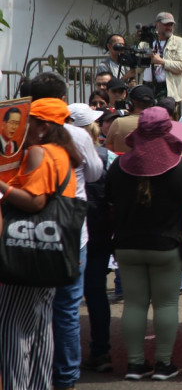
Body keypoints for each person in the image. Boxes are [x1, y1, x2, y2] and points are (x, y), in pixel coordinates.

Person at [106, 107, 182, 380]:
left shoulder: (119, 165)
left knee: (134, 305)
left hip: (127, 245)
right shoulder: (181, 166)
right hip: (167, 245)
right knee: (165, 305)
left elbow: (109, 198)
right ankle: (164, 364)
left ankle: (135, 364)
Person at [0, 98, 81, 390]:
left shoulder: (40, 152)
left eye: (30, 122)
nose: (24, 127)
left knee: (13, 327)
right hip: (51, 251)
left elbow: (34, 202)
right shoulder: (64, 154)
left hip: (25, 252)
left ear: (43, 126)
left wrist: (2, 187)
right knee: (41, 326)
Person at [27, 73, 103, 390]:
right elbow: (98, 172)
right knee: (67, 307)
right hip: (73, 230)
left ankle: (30, 378)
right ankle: (65, 381)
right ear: (63, 96)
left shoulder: (24, 131)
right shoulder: (77, 135)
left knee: (32, 307)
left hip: (30, 228)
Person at [68, 104, 116, 375]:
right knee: (96, 292)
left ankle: (66, 357)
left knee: (66, 297)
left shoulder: (54, 151)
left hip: (71, 230)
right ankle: (100, 351)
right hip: (98, 231)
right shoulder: (108, 157)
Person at [140, 12, 182, 102]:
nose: (169, 27)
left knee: (164, 115)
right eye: (166, 24)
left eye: (171, 24)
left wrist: (162, 62)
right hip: (147, 86)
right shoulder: (146, 42)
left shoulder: (178, 42)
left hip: (166, 87)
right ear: (156, 24)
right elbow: (138, 67)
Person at [105, 85, 156, 153]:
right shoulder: (159, 124)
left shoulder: (118, 123)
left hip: (121, 163)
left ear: (130, 103)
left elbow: (108, 150)